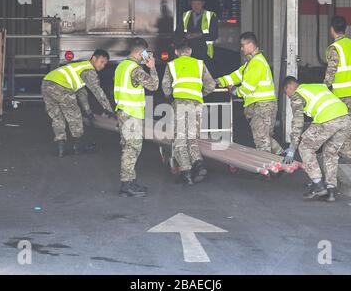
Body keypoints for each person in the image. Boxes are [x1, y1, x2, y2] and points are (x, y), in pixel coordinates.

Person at [282, 76, 351, 202]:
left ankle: (318, 185)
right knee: (330, 153)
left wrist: (292, 147)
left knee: (305, 147)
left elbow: (298, 122)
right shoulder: (318, 86)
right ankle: (331, 189)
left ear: (290, 87)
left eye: (285, 92)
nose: (287, 96)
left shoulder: (297, 95)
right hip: (345, 119)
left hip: (328, 119)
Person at [217, 32, 283, 155]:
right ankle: (281, 156)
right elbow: (235, 76)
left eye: (243, 45)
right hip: (263, 106)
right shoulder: (250, 63)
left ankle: (266, 167)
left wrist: (234, 91)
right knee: (265, 136)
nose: (241, 49)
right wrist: (218, 81)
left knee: (261, 140)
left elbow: (247, 88)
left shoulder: (256, 63)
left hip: (261, 106)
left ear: (251, 45)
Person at [42, 49, 115, 157]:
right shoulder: (89, 70)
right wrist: (109, 110)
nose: (103, 65)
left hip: (46, 83)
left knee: (57, 116)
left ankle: (61, 146)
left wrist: (88, 111)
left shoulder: (80, 67)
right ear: (93, 58)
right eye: (101, 61)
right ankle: (78, 145)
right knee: (75, 116)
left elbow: (82, 93)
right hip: (61, 86)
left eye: (105, 63)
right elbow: (98, 91)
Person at [162, 40, 216, 185]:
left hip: (180, 103)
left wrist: (171, 97)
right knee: (192, 138)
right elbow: (211, 85)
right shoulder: (200, 64)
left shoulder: (172, 65)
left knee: (180, 139)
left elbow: (166, 88)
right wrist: (199, 94)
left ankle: (185, 173)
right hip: (197, 104)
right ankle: (198, 163)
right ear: (190, 51)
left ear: (176, 52)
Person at [114, 37, 159, 197]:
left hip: (122, 112)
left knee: (128, 147)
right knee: (132, 149)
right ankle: (126, 185)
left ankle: (130, 181)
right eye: (145, 53)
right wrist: (152, 67)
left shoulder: (121, 66)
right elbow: (153, 86)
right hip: (132, 114)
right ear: (141, 52)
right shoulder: (135, 69)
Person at [324, 16, 351, 164]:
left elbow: (331, 71)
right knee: (350, 123)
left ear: (332, 29)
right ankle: (348, 151)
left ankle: (345, 153)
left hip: (342, 93)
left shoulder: (336, 48)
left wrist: (325, 86)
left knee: (341, 124)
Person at [174, 0, 218, 70]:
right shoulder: (185, 15)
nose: (196, 6)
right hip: (187, 52)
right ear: (191, 4)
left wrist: (199, 35)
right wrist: (185, 36)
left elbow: (214, 35)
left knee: (203, 74)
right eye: (193, 4)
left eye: (198, 4)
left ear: (203, 3)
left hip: (204, 52)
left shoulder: (211, 16)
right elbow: (178, 33)